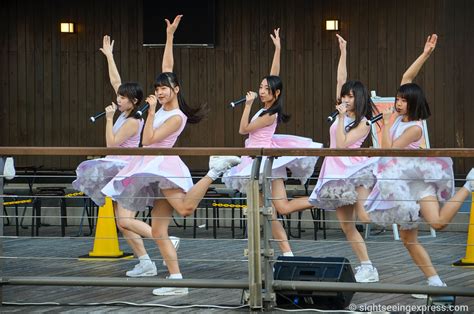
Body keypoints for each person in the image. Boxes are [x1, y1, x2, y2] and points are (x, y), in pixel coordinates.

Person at [102, 15, 240, 296]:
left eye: (164, 88)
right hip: (151, 165)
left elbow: (150, 138)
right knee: (158, 230)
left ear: (176, 89)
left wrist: (151, 111)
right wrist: (169, 36)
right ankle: (177, 281)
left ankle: (215, 170)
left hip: (164, 165)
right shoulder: (163, 104)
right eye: (157, 88)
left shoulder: (176, 117)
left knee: (186, 209)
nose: (159, 91)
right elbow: (168, 67)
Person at [364, 34, 474, 296]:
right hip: (402, 185)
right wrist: (425, 54)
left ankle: (469, 184)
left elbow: (389, 148)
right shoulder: (402, 118)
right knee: (407, 239)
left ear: (411, 103)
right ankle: (434, 283)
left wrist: (388, 123)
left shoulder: (414, 127)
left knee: (437, 223)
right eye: (397, 98)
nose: (397, 102)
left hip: (417, 181)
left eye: (402, 100)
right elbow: (407, 76)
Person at [222, 28, 322, 256]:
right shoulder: (265, 108)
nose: (262, 91)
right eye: (261, 87)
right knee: (277, 208)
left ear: (275, 94)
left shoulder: (270, 113)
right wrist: (277, 49)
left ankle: (317, 199)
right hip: (260, 159)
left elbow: (242, 129)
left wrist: (247, 105)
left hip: (264, 161)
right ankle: (285, 252)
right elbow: (273, 75)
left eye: (267, 89)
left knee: (274, 208)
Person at [73, 35, 164, 278]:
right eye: (119, 96)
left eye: (123, 97)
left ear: (133, 101)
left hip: (128, 173)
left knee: (124, 220)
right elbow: (116, 81)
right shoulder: (127, 111)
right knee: (121, 221)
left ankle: (163, 237)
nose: (118, 98)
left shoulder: (134, 120)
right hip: (120, 171)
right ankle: (145, 262)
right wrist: (110, 56)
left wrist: (109, 118)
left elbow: (110, 143)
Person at [306, 34, 379, 283]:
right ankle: (367, 266)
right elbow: (340, 78)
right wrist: (343, 51)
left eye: (350, 96)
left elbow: (345, 144)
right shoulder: (342, 113)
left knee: (364, 217)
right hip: (335, 170)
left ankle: (397, 214)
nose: (345, 99)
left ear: (358, 98)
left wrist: (339, 118)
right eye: (344, 96)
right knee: (346, 225)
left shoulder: (364, 123)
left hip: (352, 170)